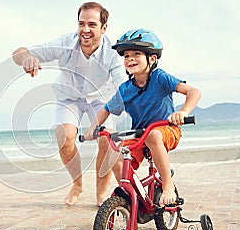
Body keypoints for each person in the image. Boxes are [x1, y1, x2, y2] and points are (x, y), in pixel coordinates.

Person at [12, 2, 126, 206]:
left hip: (101, 98)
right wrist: (27, 58)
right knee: (65, 137)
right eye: (81, 23)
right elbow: (18, 53)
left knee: (106, 142)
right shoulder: (65, 43)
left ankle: (101, 194)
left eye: (92, 24)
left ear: (104, 28)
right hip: (69, 96)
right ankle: (78, 184)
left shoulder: (113, 53)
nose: (85, 30)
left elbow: (124, 88)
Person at [84, 28, 201, 206]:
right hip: (140, 135)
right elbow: (105, 109)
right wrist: (93, 128)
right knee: (115, 151)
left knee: (153, 134)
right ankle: (132, 193)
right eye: (126, 56)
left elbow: (194, 92)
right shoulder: (125, 89)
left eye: (136, 54)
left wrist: (183, 112)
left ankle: (168, 185)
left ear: (152, 58)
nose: (130, 59)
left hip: (166, 130)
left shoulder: (160, 78)